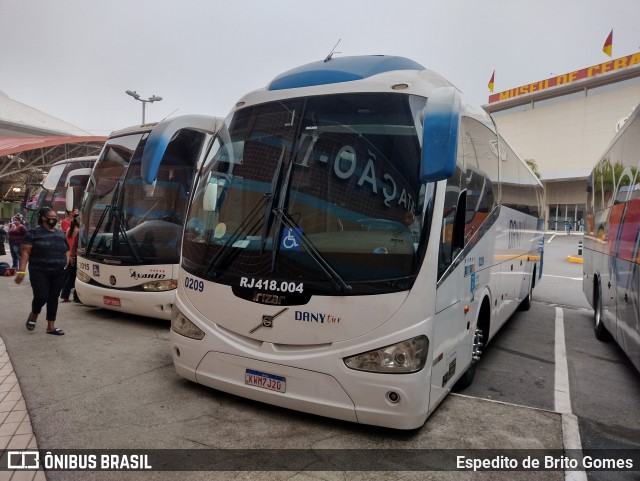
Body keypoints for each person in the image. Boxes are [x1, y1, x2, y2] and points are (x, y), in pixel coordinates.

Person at [15, 207, 69, 336]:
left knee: (53, 298)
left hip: (58, 271)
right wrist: (21, 271)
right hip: (39, 271)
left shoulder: (60, 233)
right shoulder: (33, 233)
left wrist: (66, 262)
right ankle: (34, 313)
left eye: (55, 216)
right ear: (43, 217)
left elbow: (67, 249)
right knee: (41, 296)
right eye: (51, 216)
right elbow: (25, 252)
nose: (54, 219)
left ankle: (51, 327)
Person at [60, 216, 80, 303]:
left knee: (70, 277)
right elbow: (76, 245)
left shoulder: (68, 230)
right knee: (76, 277)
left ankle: (65, 295)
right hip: (76, 255)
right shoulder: (78, 231)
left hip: (68, 254)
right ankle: (76, 297)